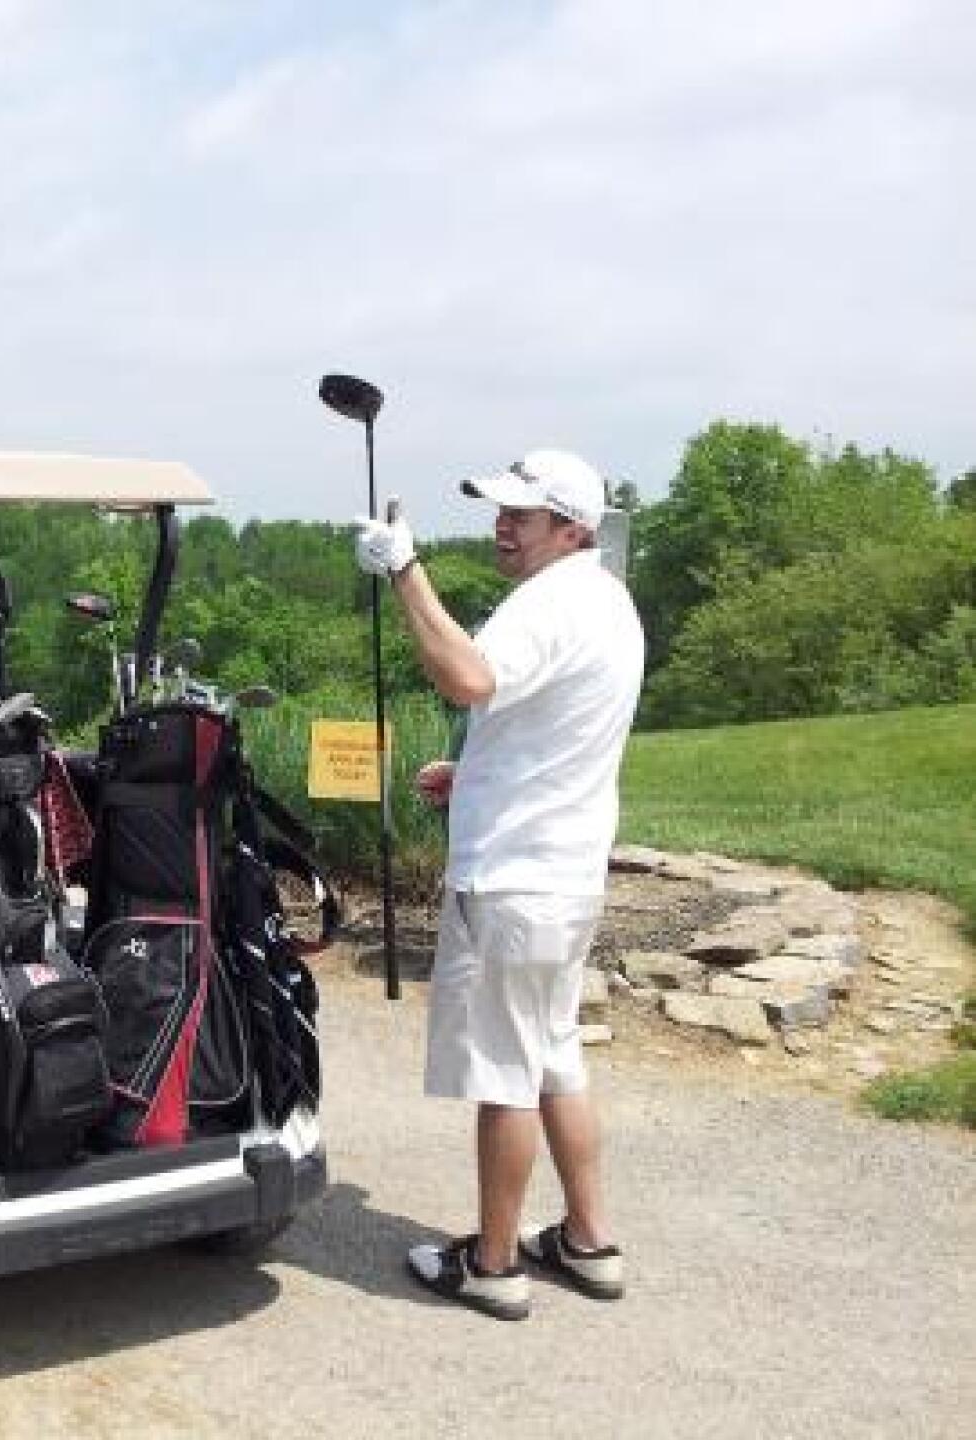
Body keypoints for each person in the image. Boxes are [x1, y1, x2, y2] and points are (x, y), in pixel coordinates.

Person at [352, 449, 644, 1321]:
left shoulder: (548, 601)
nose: (503, 526)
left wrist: (405, 569)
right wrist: (471, 771)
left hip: (515, 881)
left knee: (507, 1076)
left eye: (524, 514)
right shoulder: (607, 599)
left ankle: (492, 1263)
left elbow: (468, 675)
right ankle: (589, 1242)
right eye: (501, 509)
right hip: (565, 874)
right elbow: (542, 728)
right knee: (556, 1056)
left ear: (575, 529)